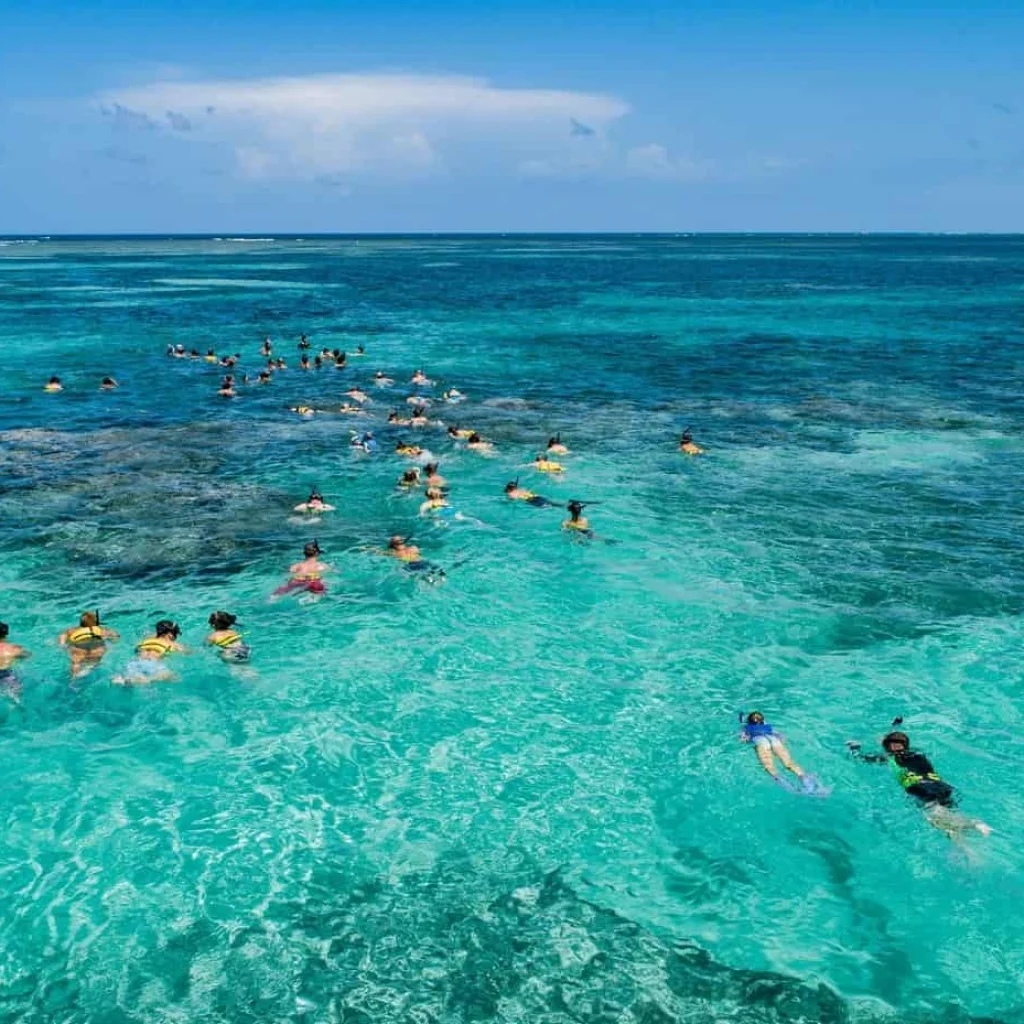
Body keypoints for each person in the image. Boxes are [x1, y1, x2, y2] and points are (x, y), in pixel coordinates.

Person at [847, 727, 991, 836]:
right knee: (948, 812)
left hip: (920, 787)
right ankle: (960, 835)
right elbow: (896, 742)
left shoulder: (888, 757)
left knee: (934, 817)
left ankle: (972, 824)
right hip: (941, 786)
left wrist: (854, 748)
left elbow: (860, 758)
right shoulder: (918, 753)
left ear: (887, 747)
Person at [740, 712, 805, 783]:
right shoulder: (768, 726)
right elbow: (780, 736)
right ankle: (802, 776)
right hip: (775, 741)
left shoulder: (746, 727)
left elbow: (743, 739)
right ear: (762, 720)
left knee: (769, 766)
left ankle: (780, 780)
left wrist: (747, 739)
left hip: (762, 742)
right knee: (789, 763)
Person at [113, 620, 184, 685]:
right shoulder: (174, 644)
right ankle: (147, 680)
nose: (176, 637)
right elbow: (187, 652)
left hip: (135, 662)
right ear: (170, 635)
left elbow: (136, 650)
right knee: (174, 677)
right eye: (175, 634)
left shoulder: (148, 639)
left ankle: (125, 679)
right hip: (153, 664)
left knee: (130, 675)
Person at [58, 610, 120, 679]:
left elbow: (62, 635)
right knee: (94, 662)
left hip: (79, 648)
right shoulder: (102, 630)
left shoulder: (73, 630)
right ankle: (88, 669)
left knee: (76, 663)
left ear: (81, 622)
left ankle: (73, 678)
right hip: (96, 648)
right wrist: (111, 640)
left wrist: (62, 644)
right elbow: (115, 636)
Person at [0, 621, 29, 701]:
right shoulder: (13, 648)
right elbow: (28, 656)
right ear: (6, 634)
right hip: (5, 675)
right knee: (16, 698)